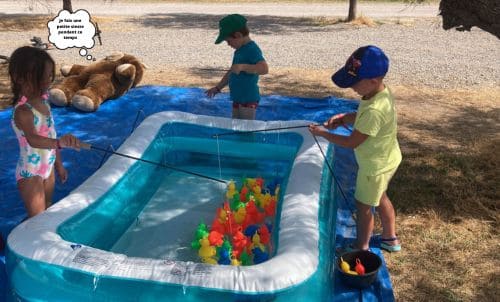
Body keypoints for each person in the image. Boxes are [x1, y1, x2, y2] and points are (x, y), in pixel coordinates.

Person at [309, 45, 402, 253]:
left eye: (354, 83)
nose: (352, 88)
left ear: (373, 81)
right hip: (387, 159)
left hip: (374, 167)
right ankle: (390, 238)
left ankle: (361, 246)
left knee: (364, 206)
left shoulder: (375, 110)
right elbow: (362, 117)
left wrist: (323, 133)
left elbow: (352, 142)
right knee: (381, 197)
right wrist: (344, 118)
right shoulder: (378, 95)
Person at [9, 46, 82, 218]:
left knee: (47, 209)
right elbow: (34, 139)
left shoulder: (44, 103)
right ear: (20, 79)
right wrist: (60, 143)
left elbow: (51, 136)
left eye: (50, 76)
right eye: (42, 77)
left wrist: (58, 164)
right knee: (37, 219)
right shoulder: (23, 111)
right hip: (30, 173)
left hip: (47, 168)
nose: (48, 81)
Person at [206, 14, 269, 120]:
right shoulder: (239, 51)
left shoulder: (252, 49)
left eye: (228, 41)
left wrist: (243, 67)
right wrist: (218, 88)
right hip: (238, 98)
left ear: (238, 35)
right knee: (236, 128)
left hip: (248, 99)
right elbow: (231, 72)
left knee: (246, 130)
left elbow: (264, 68)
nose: (228, 44)